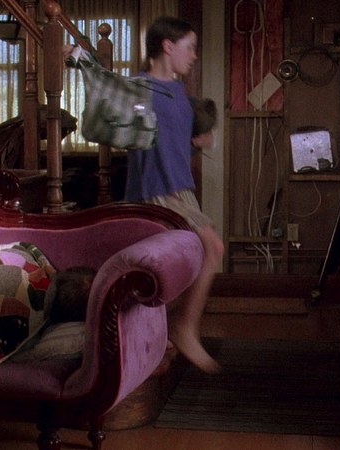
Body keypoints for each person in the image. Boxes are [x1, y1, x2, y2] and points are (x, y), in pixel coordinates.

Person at [125, 16, 225, 374]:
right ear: (168, 46)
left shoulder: (179, 92)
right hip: (157, 190)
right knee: (212, 249)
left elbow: (172, 138)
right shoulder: (139, 87)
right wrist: (77, 56)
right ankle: (182, 329)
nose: (194, 55)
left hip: (182, 189)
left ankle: (164, 330)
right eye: (190, 47)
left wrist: (198, 142)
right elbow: (112, 111)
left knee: (190, 260)